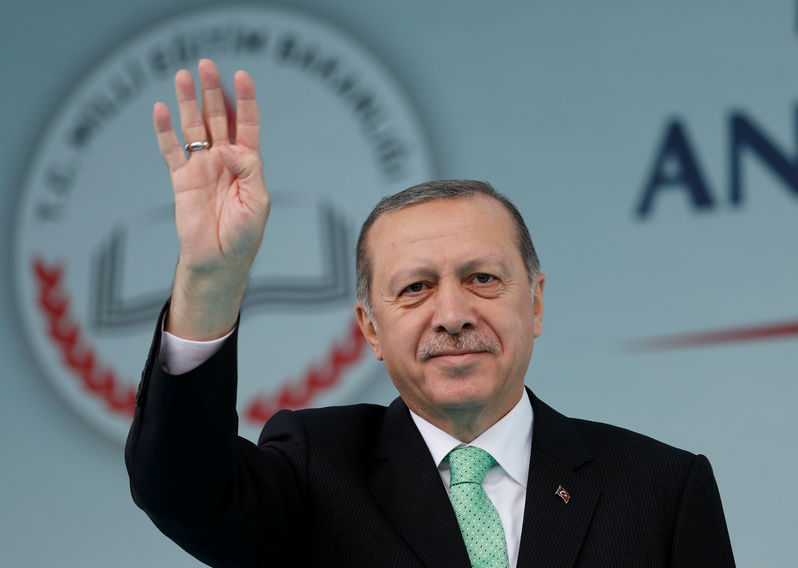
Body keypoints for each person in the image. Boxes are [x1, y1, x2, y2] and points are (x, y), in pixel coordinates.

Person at [126, 59, 735, 567]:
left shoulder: (660, 489)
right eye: (416, 288)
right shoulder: (318, 467)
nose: (452, 314)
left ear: (537, 302)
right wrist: (212, 277)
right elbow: (182, 492)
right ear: (371, 329)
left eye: (483, 279)